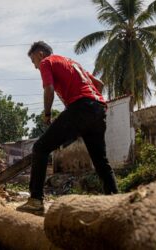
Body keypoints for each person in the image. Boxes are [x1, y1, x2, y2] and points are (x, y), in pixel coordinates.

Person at [17, 41, 119, 214]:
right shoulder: (71, 62)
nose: (35, 66)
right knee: (100, 160)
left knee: (40, 148)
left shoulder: (46, 62)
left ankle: (35, 200)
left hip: (81, 106)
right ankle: (116, 202)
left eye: (33, 61)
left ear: (40, 54)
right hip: (98, 108)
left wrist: (47, 114)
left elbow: (48, 89)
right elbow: (99, 84)